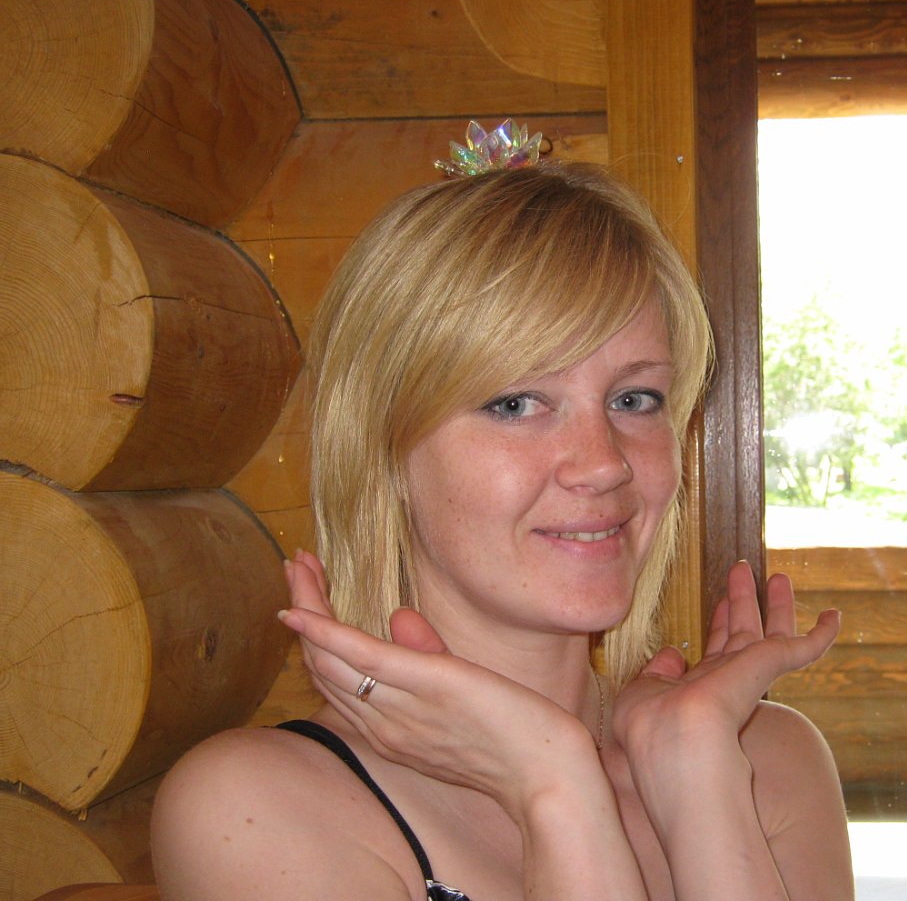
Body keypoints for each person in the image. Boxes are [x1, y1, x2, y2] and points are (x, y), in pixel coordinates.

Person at [151, 122, 853, 901]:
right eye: (516, 403)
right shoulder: (263, 812)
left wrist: (699, 780)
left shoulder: (763, 762)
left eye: (634, 399)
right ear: (385, 450)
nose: (604, 463)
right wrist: (554, 783)